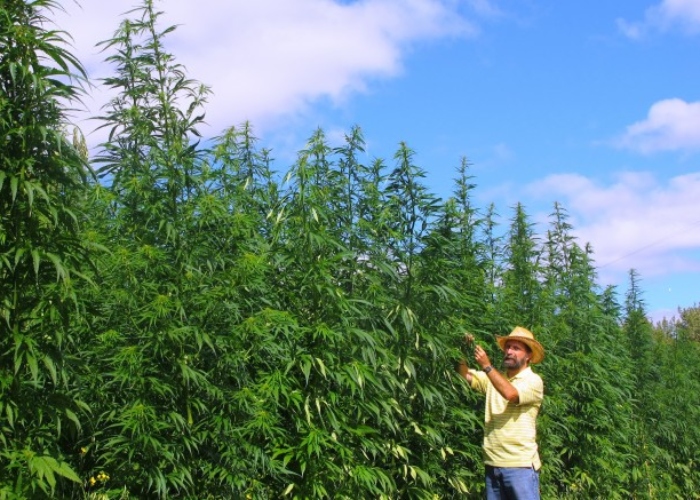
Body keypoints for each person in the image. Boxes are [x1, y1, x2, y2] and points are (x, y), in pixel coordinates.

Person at [457, 326, 545, 500]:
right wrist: (462, 351)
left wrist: (486, 366)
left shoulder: (533, 381)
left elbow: (511, 394)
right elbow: (464, 376)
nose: (509, 351)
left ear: (528, 356)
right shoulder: (494, 378)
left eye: (516, 348)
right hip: (493, 464)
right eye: (508, 347)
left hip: (520, 467)